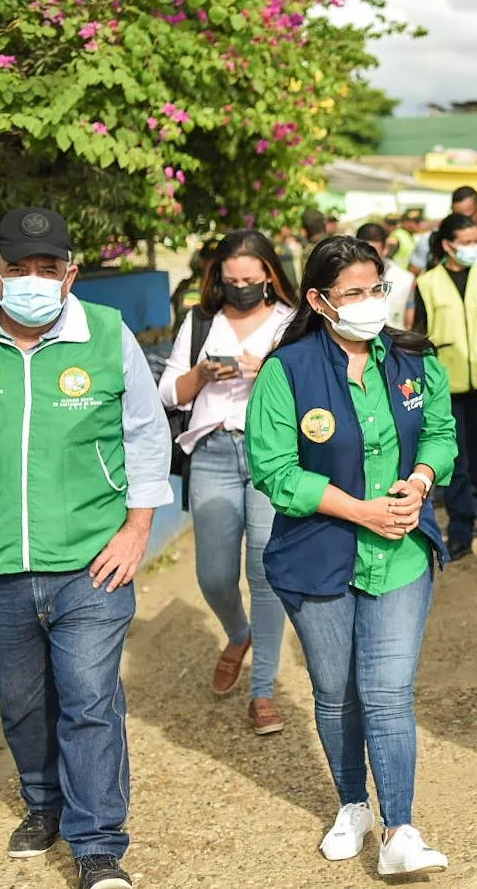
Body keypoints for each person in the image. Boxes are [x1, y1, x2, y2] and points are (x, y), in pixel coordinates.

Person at [0, 207, 173, 889]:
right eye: (17, 268)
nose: (31, 281)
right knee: (22, 705)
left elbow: (145, 435)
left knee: (89, 701)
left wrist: (138, 529)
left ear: (70, 274)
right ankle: (43, 803)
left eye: (47, 269)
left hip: (90, 563)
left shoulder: (107, 335)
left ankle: (98, 845)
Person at [245, 235, 456, 875]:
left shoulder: (416, 361)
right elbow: (275, 470)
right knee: (336, 693)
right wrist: (359, 509)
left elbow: (442, 436)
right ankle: (352, 805)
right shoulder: (289, 372)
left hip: (400, 555)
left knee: (388, 693)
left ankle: (400, 831)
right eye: (353, 294)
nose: (369, 304)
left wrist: (418, 482)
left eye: (376, 290)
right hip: (318, 557)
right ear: (318, 300)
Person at [157, 230, 297, 734]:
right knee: (213, 575)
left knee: (265, 572)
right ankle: (239, 633)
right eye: (230, 279)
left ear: (269, 276)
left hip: (270, 455)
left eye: (249, 279)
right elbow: (168, 392)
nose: (240, 287)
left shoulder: (291, 322)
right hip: (212, 452)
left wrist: (268, 369)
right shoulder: (199, 321)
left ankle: (263, 693)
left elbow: (312, 388)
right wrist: (202, 374)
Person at [413, 213, 477, 557]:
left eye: (475, 241)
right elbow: (419, 332)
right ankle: (460, 527)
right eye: (465, 242)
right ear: (448, 245)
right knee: (456, 458)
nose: (472, 248)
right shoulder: (427, 282)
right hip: (445, 386)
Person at [356, 222, 417, 329]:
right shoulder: (344, 277)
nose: (368, 260)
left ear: (385, 249)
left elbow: (409, 320)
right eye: (363, 254)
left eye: (373, 255)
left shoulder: (405, 279)